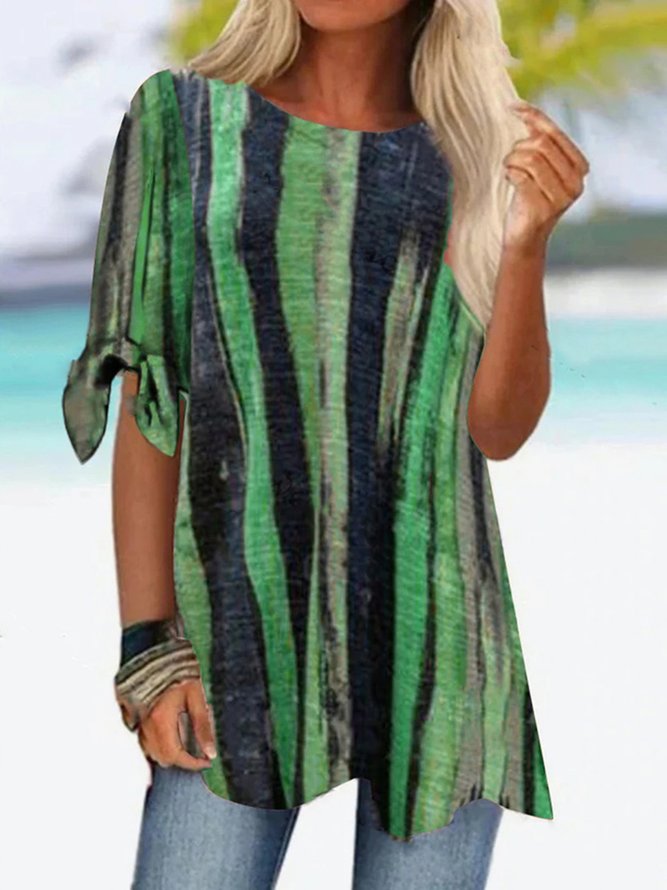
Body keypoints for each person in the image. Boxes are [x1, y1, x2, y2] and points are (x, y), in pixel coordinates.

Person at [61, 1, 589, 887]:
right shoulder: (181, 120)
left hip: (437, 642)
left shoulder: (479, 149)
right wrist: (148, 647)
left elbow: (498, 430)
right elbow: (154, 397)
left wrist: (527, 245)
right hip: (232, 630)